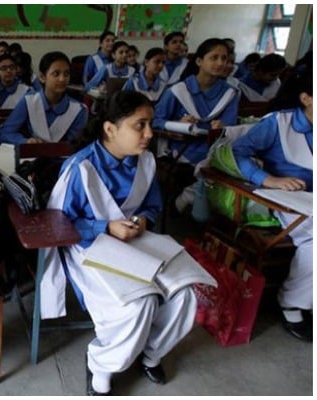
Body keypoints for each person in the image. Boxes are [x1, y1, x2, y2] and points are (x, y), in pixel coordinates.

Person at [41, 91, 196, 395]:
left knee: (186, 292)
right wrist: (105, 227)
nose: (150, 134)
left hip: (135, 242)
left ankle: (151, 353)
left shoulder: (146, 162)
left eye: (150, 124)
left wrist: (143, 221)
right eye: (140, 125)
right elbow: (57, 224)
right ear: (110, 129)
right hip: (88, 247)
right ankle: (101, 364)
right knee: (140, 301)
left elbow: (152, 206)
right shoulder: (80, 167)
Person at [231, 70, 313, 341]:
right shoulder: (280, 123)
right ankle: (292, 301)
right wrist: (269, 179)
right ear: (306, 98)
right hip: (284, 199)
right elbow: (237, 152)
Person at [154, 38, 239, 213]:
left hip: (214, 145)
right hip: (183, 147)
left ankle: (189, 197)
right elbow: (155, 120)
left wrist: (221, 126)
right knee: (216, 165)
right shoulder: (178, 90)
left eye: (224, 58)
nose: (220, 63)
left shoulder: (229, 93)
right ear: (199, 61)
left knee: (236, 162)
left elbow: (230, 127)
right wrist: (176, 123)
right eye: (214, 58)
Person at [0, 51, 88, 145]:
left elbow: (75, 146)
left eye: (66, 74)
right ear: (42, 77)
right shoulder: (30, 101)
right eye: (56, 74)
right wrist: (26, 141)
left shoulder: (78, 110)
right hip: (31, 156)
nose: (62, 79)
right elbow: (5, 133)